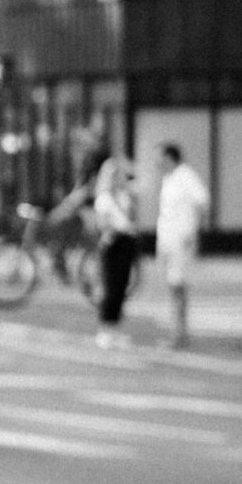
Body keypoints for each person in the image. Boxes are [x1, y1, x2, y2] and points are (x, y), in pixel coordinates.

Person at [153, 142, 210, 349]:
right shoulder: (169, 178)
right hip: (168, 240)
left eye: (159, 156)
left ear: (169, 156)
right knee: (173, 287)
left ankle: (179, 334)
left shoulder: (186, 176)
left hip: (180, 240)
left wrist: (193, 232)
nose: (156, 162)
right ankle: (178, 332)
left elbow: (203, 201)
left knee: (178, 286)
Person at [91, 148, 140, 347]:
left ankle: (115, 328)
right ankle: (105, 330)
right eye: (114, 175)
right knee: (110, 288)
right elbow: (103, 223)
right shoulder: (104, 198)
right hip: (113, 243)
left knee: (121, 287)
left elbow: (132, 216)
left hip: (127, 241)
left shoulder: (124, 196)